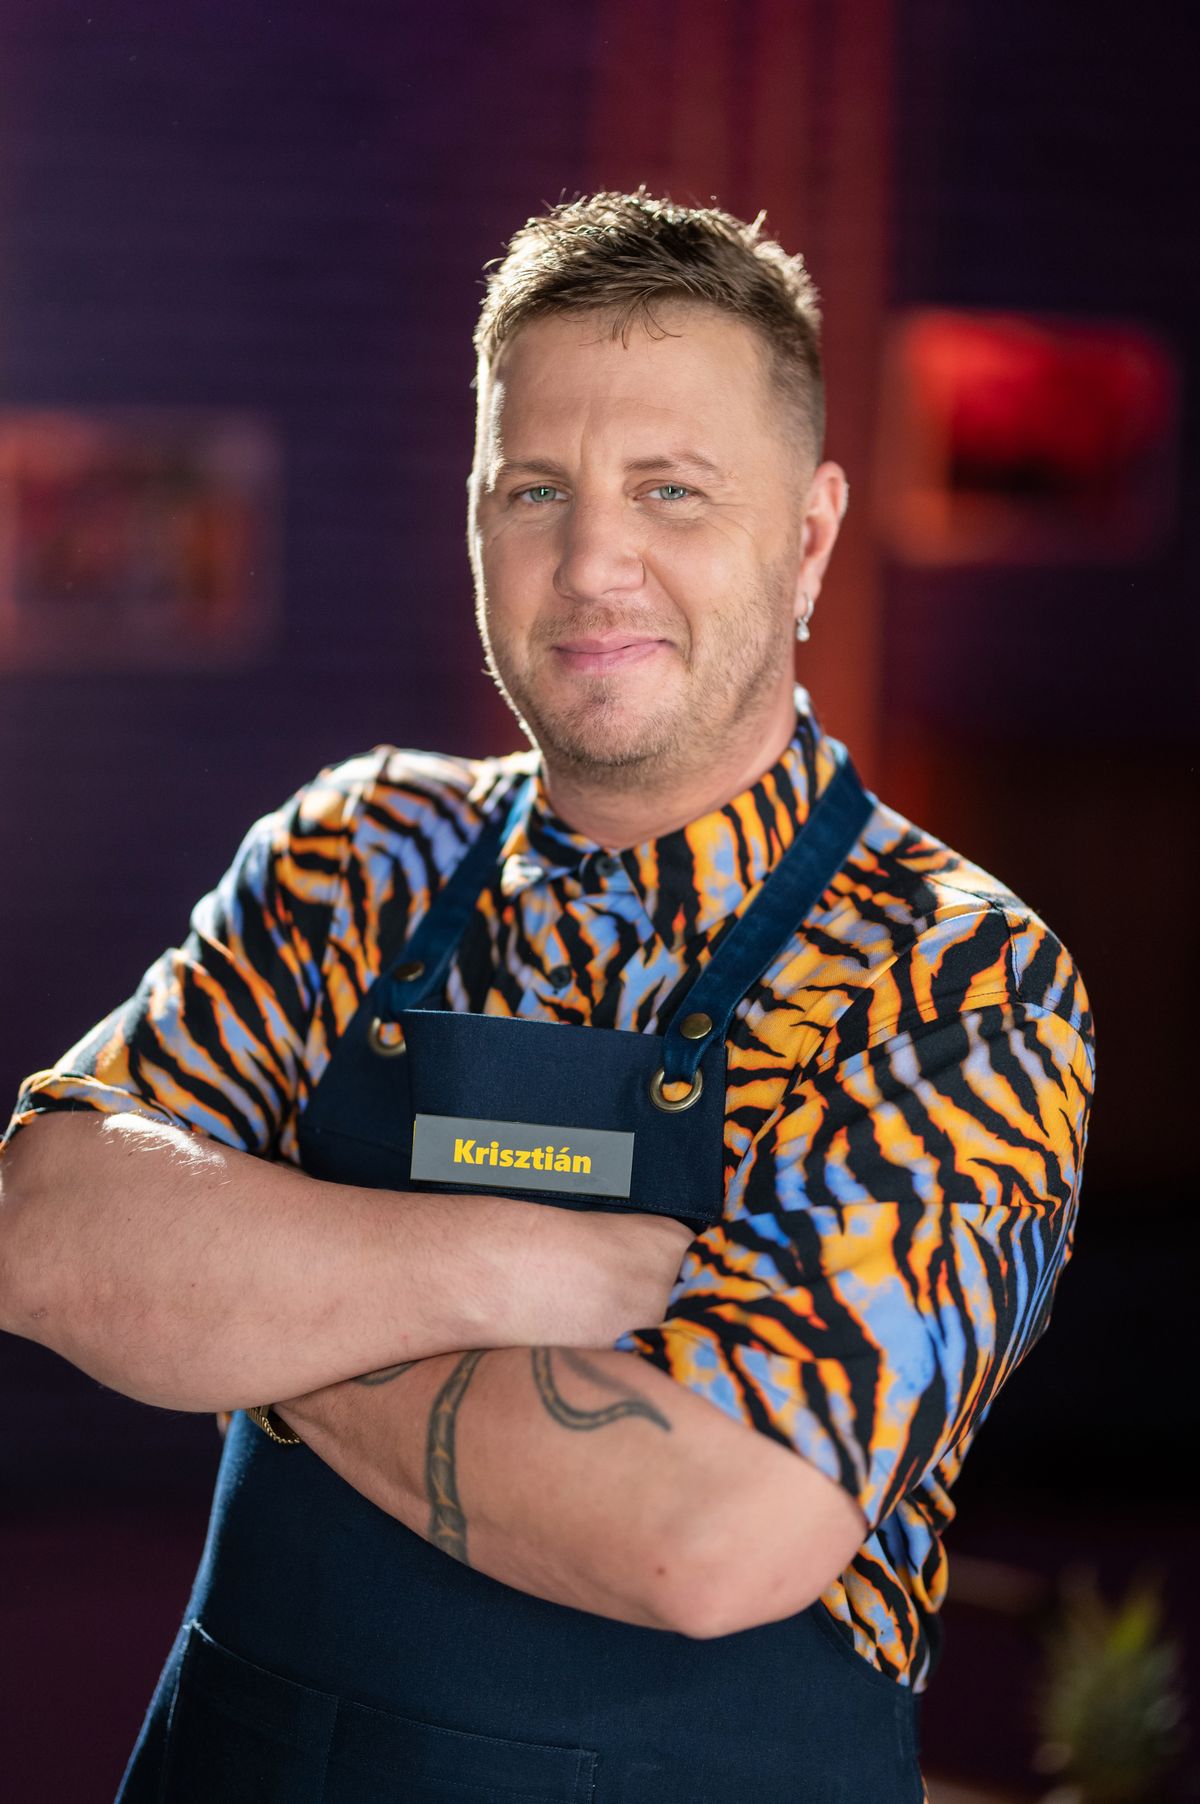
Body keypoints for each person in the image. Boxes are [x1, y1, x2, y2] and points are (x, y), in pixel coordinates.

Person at [0, 189, 1095, 1803]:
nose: (591, 562)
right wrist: (535, 1268)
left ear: (807, 537)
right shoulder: (354, 853)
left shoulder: (952, 978)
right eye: (536, 490)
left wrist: (250, 1303)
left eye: (671, 489)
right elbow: (42, 1229)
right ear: (474, 519)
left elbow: (708, 1535)